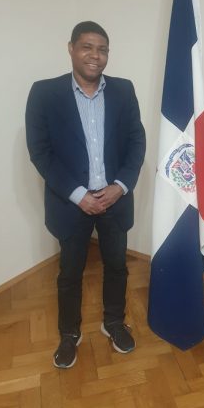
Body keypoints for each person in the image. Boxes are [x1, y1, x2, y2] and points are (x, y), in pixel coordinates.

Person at [26, 21, 145, 369]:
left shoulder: (124, 90)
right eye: (87, 47)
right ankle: (69, 334)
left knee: (117, 266)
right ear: (71, 49)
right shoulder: (44, 93)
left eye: (102, 49)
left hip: (114, 200)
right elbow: (40, 152)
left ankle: (114, 323)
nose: (95, 55)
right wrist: (78, 194)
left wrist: (119, 186)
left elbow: (137, 141)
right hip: (71, 203)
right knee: (70, 273)